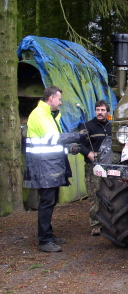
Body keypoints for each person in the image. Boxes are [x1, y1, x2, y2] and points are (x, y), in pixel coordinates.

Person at [24, 86, 86, 253]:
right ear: (51, 98)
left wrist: (70, 149)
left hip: (49, 165)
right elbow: (53, 139)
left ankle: (48, 235)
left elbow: (52, 145)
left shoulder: (50, 116)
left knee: (50, 202)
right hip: (43, 167)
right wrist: (79, 136)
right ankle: (44, 241)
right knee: (46, 203)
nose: (60, 102)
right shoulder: (39, 115)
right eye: (59, 99)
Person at [78, 100, 111, 236]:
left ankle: (109, 222)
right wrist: (90, 154)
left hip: (109, 165)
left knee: (109, 194)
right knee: (94, 194)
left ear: (107, 112)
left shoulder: (112, 127)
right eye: (98, 110)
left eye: (103, 110)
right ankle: (96, 224)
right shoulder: (87, 126)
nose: (100, 112)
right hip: (94, 166)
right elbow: (80, 144)